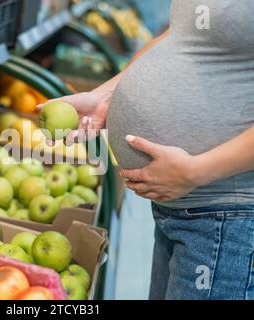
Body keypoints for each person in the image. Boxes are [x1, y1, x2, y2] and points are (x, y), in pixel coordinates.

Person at [39, 0, 254, 299]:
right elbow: (179, 37)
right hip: (181, 208)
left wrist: (197, 170)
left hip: (227, 216)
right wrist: (106, 96)